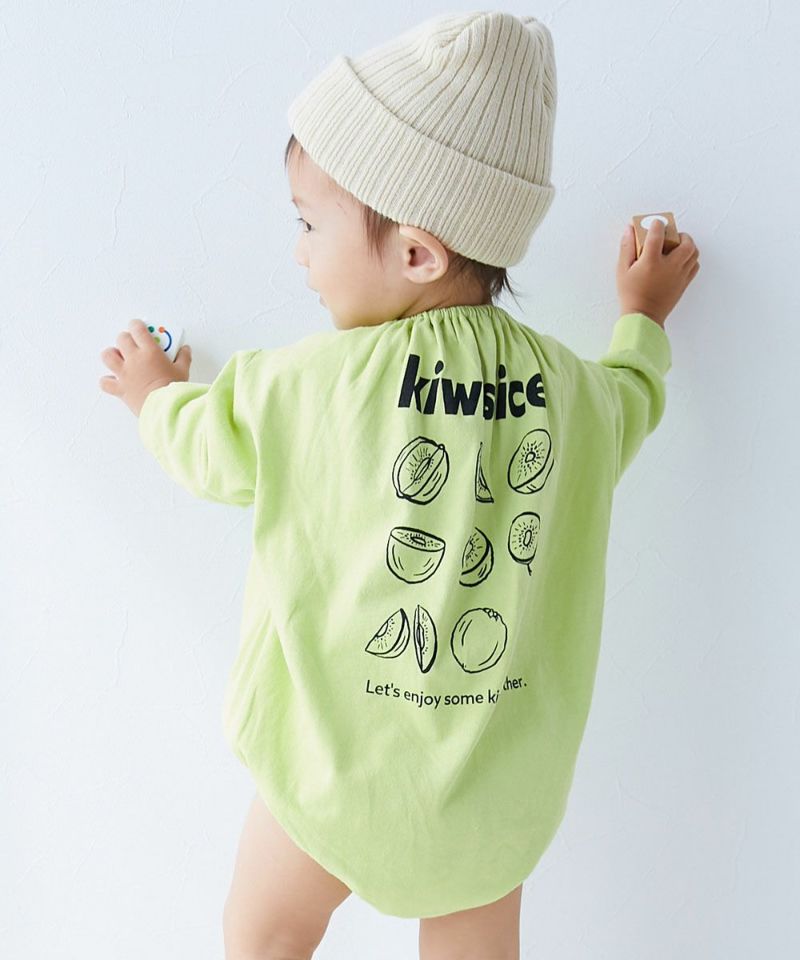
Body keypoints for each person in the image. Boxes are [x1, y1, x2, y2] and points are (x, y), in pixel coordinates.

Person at [99, 11, 700, 959]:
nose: (299, 251)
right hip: (491, 797)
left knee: (263, 936)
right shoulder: (571, 397)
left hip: (329, 774)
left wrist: (153, 394)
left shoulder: (310, 383)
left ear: (418, 253)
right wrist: (641, 318)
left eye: (309, 224)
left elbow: (206, 449)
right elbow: (633, 398)